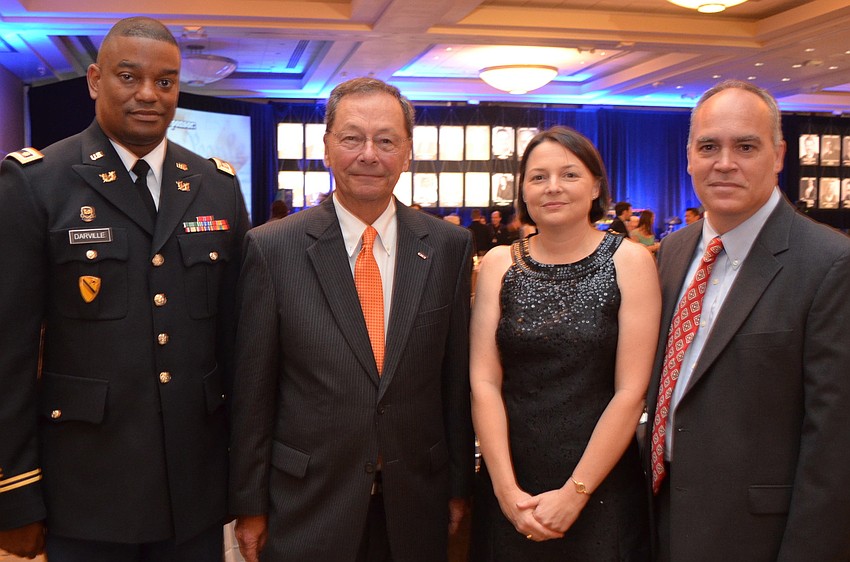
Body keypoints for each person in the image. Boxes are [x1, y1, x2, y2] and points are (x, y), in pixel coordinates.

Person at [0, 16, 249, 561]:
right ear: (94, 80)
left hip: (194, 489)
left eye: (165, 82)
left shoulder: (217, 187)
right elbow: (9, 354)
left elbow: (238, 347)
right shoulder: (37, 183)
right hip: (85, 488)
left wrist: (245, 481)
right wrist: (15, 492)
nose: (148, 95)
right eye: (128, 77)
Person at [228, 77, 474, 562]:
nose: (369, 154)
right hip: (307, 501)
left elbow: (454, 378)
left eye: (386, 141)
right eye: (352, 137)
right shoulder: (273, 248)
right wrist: (249, 503)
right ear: (326, 146)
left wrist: (458, 484)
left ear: (407, 153)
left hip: (416, 497)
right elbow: (254, 392)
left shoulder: (448, 247)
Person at [645, 79, 850, 561]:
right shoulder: (674, 250)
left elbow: (834, 443)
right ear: (689, 155)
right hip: (660, 516)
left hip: (756, 535)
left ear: (778, 155)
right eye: (709, 146)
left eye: (746, 146)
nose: (724, 163)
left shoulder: (830, 263)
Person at [470, 126, 660, 560]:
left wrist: (576, 493)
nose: (552, 187)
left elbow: (631, 392)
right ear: (523, 190)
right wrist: (504, 491)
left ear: (595, 185)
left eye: (569, 174)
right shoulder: (501, 263)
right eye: (538, 177)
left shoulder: (630, 261)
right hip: (511, 479)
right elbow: (483, 382)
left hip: (601, 481)